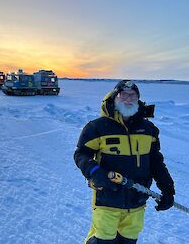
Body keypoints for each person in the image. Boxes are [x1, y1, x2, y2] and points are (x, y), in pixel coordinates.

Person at [74, 80, 175, 244]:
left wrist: (168, 189)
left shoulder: (149, 129)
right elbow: (81, 154)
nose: (129, 99)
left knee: (128, 240)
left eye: (133, 95)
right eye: (124, 95)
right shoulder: (97, 127)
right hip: (107, 198)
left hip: (138, 200)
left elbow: (156, 162)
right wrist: (94, 171)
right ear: (114, 98)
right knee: (102, 240)